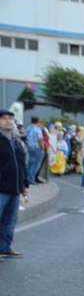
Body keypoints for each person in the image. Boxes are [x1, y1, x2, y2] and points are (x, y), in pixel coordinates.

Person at [0, 109, 29, 258]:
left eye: (10, 118)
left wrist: (24, 185)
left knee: (10, 221)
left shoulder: (16, 142)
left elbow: (22, 164)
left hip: (15, 188)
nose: (8, 121)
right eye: (4, 118)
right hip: (1, 189)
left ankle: (4, 248)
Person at [25, 116, 44, 184]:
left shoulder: (28, 128)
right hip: (37, 148)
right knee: (35, 164)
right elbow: (40, 140)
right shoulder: (38, 129)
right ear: (37, 121)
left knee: (30, 163)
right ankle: (31, 179)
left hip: (29, 147)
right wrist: (42, 148)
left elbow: (26, 136)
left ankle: (26, 178)